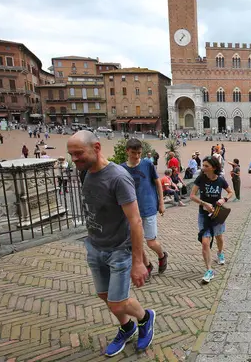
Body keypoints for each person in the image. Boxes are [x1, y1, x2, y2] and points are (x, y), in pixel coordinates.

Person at [66, 131, 155, 357]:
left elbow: (135, 221)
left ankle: (145, 318)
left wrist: (138, 262)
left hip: (119, 250)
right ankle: (127, 328)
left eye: (79, 153)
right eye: (71, 155)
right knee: (104, 295)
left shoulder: (118, 177)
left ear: (96, 148)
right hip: (95, 246)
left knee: (117, 303)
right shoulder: (85, 172)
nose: (74, 159)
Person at [121, 139, 168, 281]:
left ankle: (162, 255)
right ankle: (147, 265)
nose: (136, 156)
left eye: (139, 153)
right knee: (135, 243)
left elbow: (157, 183)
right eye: (133, 153)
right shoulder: (121, 168)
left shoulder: (147, 164)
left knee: (151, 242)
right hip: (132, 211)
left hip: (148, 207)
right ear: (127, 151)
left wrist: (161, 202)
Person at [189, 156, 235, 283]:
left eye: (206, 166)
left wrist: (223, 199)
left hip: (217, 213)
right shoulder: (200, 179)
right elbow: (192, 196)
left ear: (214, 168)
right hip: (204, 215)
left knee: (219, 236)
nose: (203, 168)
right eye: (203, 165)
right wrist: (204, 203)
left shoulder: (220, 180)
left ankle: (220, 252)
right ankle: (209, 270)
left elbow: (230, 192)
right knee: (205, 242)